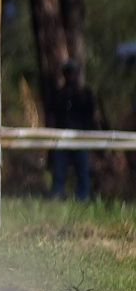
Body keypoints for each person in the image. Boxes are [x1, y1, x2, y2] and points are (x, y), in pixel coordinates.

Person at [49, 58, 94, 201]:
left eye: (72, 73)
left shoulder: (85, 94)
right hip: (62, 137)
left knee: (82, 170)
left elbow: (90, 114)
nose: (70, 76)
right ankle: (57, 194)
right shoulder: (59, 94)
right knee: (59, 169)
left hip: (80, 137)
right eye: (68, 73)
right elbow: (54, 115)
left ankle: (82, 197)